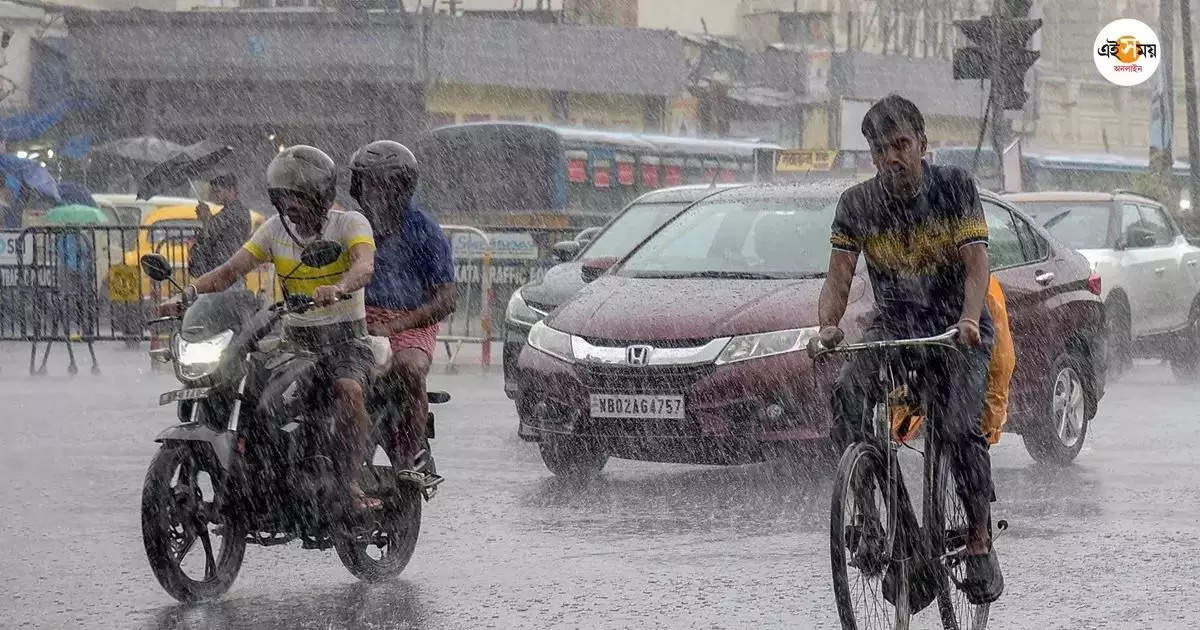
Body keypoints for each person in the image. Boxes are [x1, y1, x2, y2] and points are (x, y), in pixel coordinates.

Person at [810, 94, 1003, 604]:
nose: (893, 157)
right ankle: (882, 524)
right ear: (872, 156)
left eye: (901, 145)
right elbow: (838, 277)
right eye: (881, 149)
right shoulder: (856, 204)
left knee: (959, 427)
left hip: (955, 328)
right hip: (898, 326)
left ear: (922, 143)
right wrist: (828, 326)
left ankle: (980, 538)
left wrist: (966, 318)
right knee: (848, 397)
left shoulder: (955, 187)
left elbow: (976, 263)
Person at [176, 145, 380, 510]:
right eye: (283, 199)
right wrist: (187, 293)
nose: (290, 207)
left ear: (321, 197)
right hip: (295, 342)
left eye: (298, 198)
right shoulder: (272, 231)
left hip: (346, 342)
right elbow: (228, 273)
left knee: (348, 390)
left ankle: (350, 484)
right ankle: (262, 478)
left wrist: (340, 287)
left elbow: (364, 266)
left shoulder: (350, 224)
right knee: (245, 385)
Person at [348, 140, 456, 472]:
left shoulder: (425, 229)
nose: (375, 192)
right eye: (368, 183)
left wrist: (394, 327)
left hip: (411, 323)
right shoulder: (350, 225)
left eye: (383, 184)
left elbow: (447, 300)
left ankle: (409, 460)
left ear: (402, 188)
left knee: (408, 369)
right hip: (355, 318)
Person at [189, 173, 252, 279]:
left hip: (226, 273)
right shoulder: (229, 212)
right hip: (221, 272)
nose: (215, 195)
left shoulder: (236, 212)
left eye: (218, 191)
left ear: (231, 190)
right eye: (213, 192)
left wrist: (207, 219)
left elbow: (210, 235)